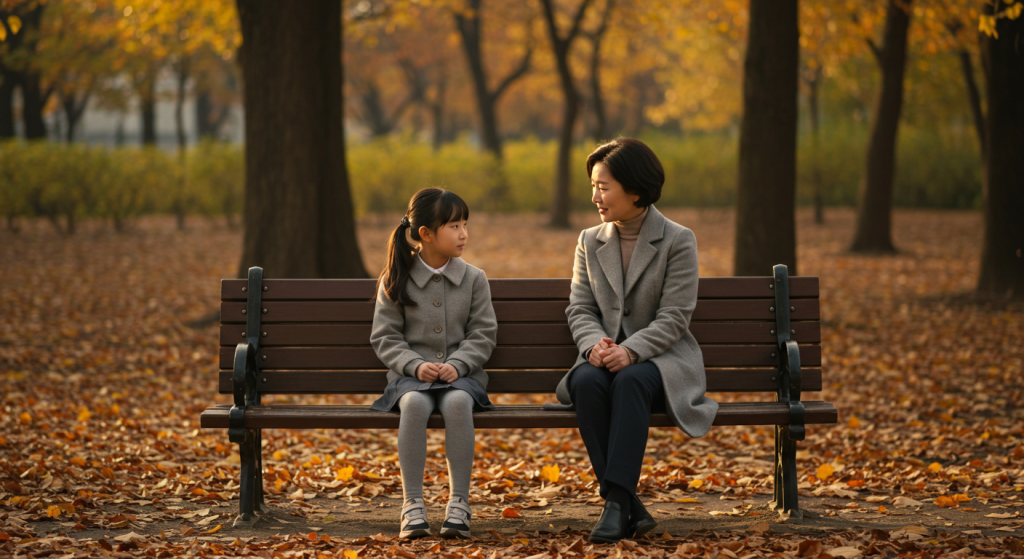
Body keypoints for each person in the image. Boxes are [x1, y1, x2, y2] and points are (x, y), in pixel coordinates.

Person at [554, 138, 719, 543]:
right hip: (602, 361)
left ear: (635, 190)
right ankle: (626, 503)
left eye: (603, 186)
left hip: (660, 365)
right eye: (593, 185)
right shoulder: (589, 240)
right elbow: (580, 308)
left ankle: (614, 505)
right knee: (584, 382)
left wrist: (631, 351)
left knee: (630, 380)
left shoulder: (678, 239)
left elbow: (675, 316)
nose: (595, 196)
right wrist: (594, 345)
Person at [369, 188, 497, 539]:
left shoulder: (474, 279)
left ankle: (459, 503)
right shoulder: (396, 278)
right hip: (411, 378)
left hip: (463, 376)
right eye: (454, 225)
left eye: (465, 224)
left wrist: (459, 363)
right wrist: (413, 365)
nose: (463, 234)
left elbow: (483, 333)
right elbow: (386, 337)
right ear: (425, 234)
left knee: (457, 403)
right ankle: (412, 504)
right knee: (413, 404)